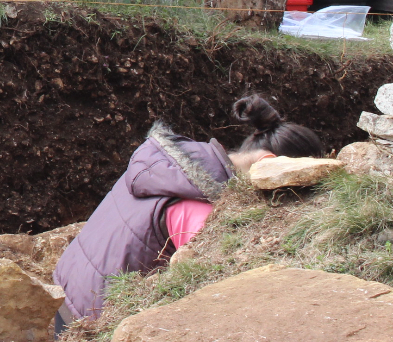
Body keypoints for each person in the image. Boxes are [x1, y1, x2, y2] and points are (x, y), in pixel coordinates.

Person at [51, 95, 323, 330]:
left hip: (67, 289)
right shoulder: (201, 208)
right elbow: (214, 292)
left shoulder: (173, 164)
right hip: (92, 320)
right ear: (270, 164)